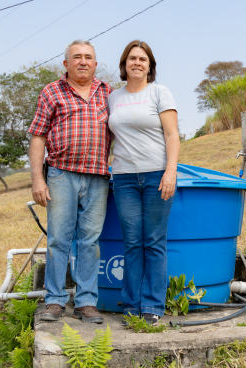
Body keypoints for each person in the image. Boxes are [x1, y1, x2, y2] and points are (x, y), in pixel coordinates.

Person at [28, 39, 112, 324]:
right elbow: (38, 136)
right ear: (66, 63)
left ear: (96, 63)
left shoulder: (107, 93)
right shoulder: (52, 92)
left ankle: (86, 302)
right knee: (58, 240)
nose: (83, 61)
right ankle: (54, 300)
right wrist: (38, 179)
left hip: (98, 176)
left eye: (88, 57)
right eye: (77, 57)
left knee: (90, 241)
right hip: (61, 174)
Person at [108, 40, 180, 326]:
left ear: (150, 66)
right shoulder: (113, 97)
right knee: (132, 242)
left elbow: (172, 135)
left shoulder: (160, 93)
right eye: (132, 58)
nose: (137, 63)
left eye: (143, 59)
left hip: (156, 175)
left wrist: (170, 172)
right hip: (124, 178)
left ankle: (152, 306)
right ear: (124, 65)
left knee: (154, 241)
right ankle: (130, 306)